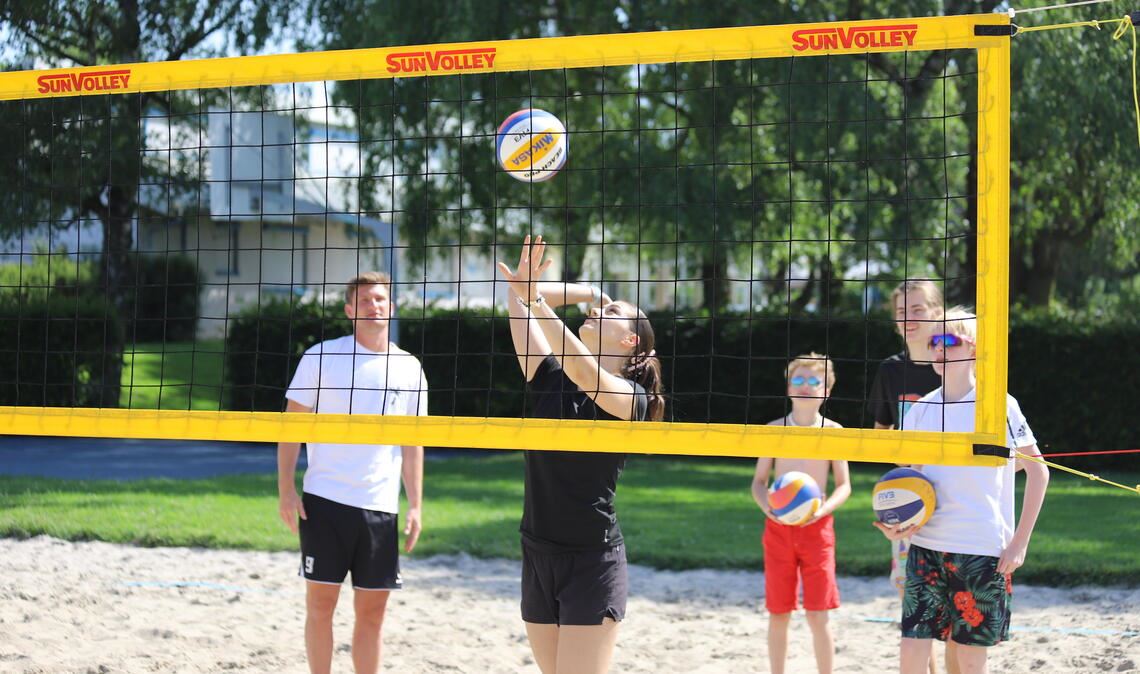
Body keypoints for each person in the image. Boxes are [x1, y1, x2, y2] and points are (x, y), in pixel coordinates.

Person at [497, 234, 664, 674]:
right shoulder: (550, 376)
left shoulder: (631, 398)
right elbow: (517, 298)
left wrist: (535, 298)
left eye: (613, 313)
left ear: (630, 342)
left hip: (592, 559)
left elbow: (583, 370)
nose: (597, 313)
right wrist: (591, 293)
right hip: (537, 550)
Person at [874, 307, 1050, 674]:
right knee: (911, 651)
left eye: (948, 340)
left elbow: (1038, 471)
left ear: (975, 348)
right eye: (933, 341)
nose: (938, 348)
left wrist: (1019, 544)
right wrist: (899, 524)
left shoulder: (998, 405)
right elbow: (912, 481)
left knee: (969, 659)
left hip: (981, 550)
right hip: (926, 547)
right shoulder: (921, 410)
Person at [277, 271, 427, 674]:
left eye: (379, 299)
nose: (373, 306)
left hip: (380, 506)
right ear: (349, 311)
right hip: (325, 501)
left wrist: (415, 505)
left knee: (373, 613)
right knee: (321, 605)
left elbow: (413, 443)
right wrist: (286, 489)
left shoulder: (409, 368)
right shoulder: (321, 357)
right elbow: (291, 427)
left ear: (391, 307)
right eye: (364, 301)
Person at [751, 353, 851, 674]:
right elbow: (758, 483)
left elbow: (844, 486)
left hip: (817, 529)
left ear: (827, 391)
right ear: (788, 388)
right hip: (778, 527)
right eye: (798, 379)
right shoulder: (774, 430)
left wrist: (824, 509)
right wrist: (768, 508)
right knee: (779, 612)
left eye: (813, 381)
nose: (805, 386)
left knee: (818, 614)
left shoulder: (834, 431)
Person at [868, 280, 947, 674]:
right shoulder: (890, 370)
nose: (909, 318)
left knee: (952, 599)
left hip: (954, 494)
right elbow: (881, 435)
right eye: (902, 311)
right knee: (913, 595)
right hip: (909, 497)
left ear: (937, 313)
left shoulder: (953, 364)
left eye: (918, 309)